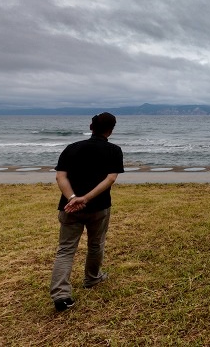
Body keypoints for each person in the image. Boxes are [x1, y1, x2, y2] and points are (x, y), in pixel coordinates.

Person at [50, 112, 124, 312]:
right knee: (96, 244)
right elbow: (110, 179)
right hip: (99, 207)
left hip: (69, 207)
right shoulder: (114, 150)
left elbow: (60, 177)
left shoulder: (72, 148)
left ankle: (61, 295)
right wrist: (86, 198)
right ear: (111, 130)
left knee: (66, 250)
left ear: (91, 127)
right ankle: (92, 278)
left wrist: (72, 198)